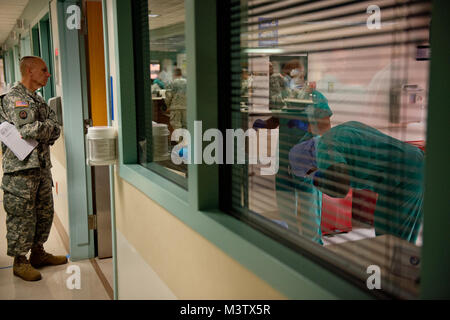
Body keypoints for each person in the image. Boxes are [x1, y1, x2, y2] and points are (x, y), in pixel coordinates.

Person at [289, 121, 424, 243]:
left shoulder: (323, 150)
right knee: (384, 235)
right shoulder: (339, 132)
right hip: (399, 173)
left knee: (395, 242)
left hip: (406, 176)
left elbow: (341, 189)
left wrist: (319, 181)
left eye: (308, 173)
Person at [0, 56, 67, 282]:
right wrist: (48, 127)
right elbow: (28, 129)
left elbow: (55, 128)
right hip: (20, 171)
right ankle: (20, 261)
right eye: (44, 70)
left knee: (43, 212)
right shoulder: (14, 99)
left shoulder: (37, 100)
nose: (48, 74)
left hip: (41, 167)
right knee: (21, 216)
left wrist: (47, 127)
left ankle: (38, 253)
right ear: (29, 70)